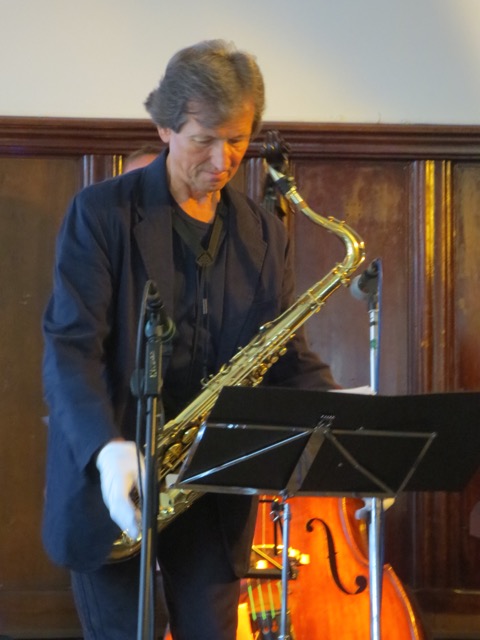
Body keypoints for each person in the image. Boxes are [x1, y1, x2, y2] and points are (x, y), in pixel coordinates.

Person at [41, 39, 338, 640]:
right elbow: (71, 348)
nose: (224, 159)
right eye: (205, 139)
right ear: (165, 128)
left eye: (238, 139)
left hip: (212, 486)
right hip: (115, 479)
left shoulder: (261, 230)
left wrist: (348, 421)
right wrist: (106, 448)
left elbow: (284, 352)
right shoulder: (101, 214)